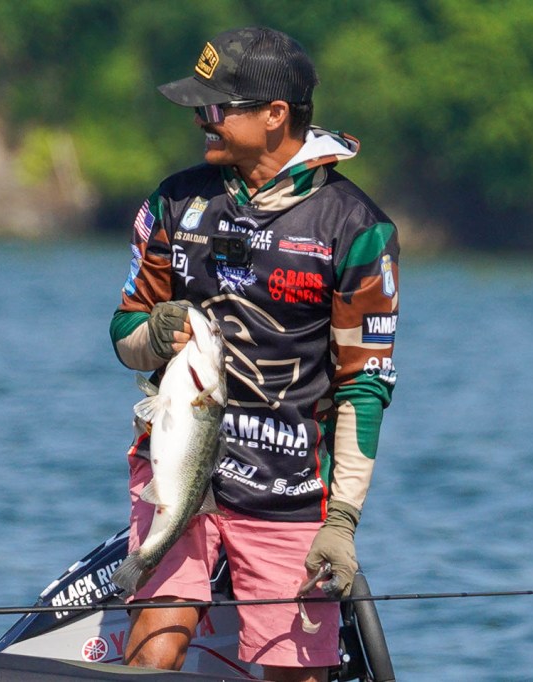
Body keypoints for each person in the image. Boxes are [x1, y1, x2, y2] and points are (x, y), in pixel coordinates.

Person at [109, 26, 399, 682]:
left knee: (295, 673)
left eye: (215, 108)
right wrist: (153, 335)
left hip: (290, 491)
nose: (201, 120)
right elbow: (125, 332)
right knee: (155, 647)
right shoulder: (173, 202)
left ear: (275, 115)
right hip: (176, 470)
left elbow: (365, 384)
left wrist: (342, 521)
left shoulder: (357, 228)